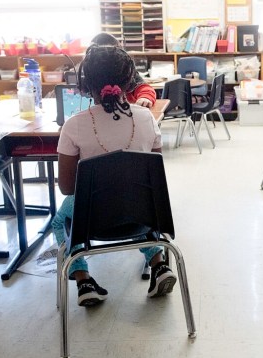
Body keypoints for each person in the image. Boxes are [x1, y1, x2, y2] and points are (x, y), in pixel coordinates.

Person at [51, 45, 176, 306]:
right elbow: (156, 175)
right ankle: (158, 263)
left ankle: (83, 278)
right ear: (130, 80)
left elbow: (66, 187)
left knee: (58, 220)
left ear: (85, 85)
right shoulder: (147, 119)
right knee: (134, 198)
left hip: (93, 219)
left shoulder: (73, 125)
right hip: (141, 213)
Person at [90, 32, 157, 108]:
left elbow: (144, 87)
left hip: (127, 114)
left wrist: (145, 97)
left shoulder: (126, 71)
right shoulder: (89, 74)